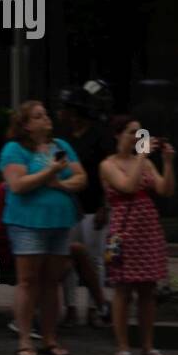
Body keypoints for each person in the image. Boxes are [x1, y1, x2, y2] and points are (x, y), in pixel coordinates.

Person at [0, 100, 87, 355]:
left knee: (52, 281)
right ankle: (25, 339)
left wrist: (57, 184)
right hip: (28, 223)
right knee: (28, 281)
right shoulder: (14, 149)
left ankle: (50, 338)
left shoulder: (61, 146)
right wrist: (50, 172)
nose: (45, 119)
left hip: (59, 222)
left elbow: (81, 178)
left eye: (46, 114)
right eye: (38, 116)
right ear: (25, 125)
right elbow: (17, 185)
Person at [100, 120, 175, 355]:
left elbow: (165, 190)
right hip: (124, 230)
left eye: (140, 132)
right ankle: (123, 348)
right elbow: (127, 186)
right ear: (118, 134)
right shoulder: (108, 165)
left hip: (147, 229)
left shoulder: (145, 161)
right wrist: (142, 156)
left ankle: (148, 346)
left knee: (147, 290)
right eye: (132, 131)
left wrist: (167, 162)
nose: (137, 136)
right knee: (123, 290)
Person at [57, 88, 113, 327]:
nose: (62, 114)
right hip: (70, 206)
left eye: (66, 110)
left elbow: (107, 174)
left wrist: (105, 206)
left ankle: (93, 307)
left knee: (94, 258)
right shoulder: (63, 137)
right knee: (67, 258)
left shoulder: (99, 136)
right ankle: (69, 306)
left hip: (93, 206)